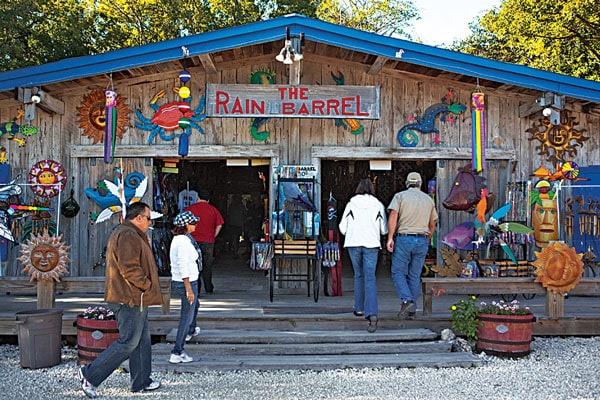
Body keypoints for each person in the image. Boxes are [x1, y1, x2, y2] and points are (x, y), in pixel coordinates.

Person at [77, 202, 162, 398]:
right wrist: (146, 285)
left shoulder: (132, 234)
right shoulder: (128, 235)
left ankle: (141, 381)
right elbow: (129, 268)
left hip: (135, 297)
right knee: (128, 342)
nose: (150, 222)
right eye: (148, 218)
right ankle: (89, 375)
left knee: (141, 340)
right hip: (129, 298)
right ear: (138, 218)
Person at [386, 172, 438, 320]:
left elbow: (394, 215)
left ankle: (406, 300)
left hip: (405, 238)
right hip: (422, 239)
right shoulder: (428, 200)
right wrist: (427, 239)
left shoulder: (400, 196)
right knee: (414, 276)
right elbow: (432, 224)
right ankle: (411, 310)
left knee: (398, 272)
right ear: (420, 184)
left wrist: (390, 237)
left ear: (407, 183)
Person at [339, 179, 388, 333]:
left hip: (353, 242)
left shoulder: (351, 204)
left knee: (358, 275)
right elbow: (384, 229)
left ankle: (359, 308)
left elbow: (342, 227)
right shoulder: (378, 205)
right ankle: (372, 312)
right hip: (371, 244)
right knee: (370, 277)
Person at [169, 211, 202, 363]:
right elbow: (183, 264)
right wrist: (188, 288)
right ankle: (177, 350)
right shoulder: (182, 242)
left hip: (187, 280)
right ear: (186, 225)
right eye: (193, 223)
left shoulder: (180, 239)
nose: (195, 225)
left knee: (194, 307)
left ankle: (191, 329)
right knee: (186, 316)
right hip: (186, 282)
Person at [185, 190, 224, 294]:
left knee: (194, 264)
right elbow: (220, 224)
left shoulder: (190, 209)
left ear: (197, 198)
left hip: (193, 241)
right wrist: (213, 235)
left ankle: (196, 287)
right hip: (208, 241)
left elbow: (183, 223)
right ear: (208, 200)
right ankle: (208, 287)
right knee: (207, 265)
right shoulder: (213, 210)